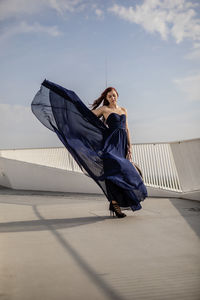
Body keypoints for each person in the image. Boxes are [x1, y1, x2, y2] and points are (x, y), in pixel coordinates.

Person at [31, 79, 148, 219]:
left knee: (123, 171)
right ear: (106, 98)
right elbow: (87, 117)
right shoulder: (104, 109)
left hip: (121, 145)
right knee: (111, 175)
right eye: (109, 96)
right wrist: (73, 105)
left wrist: (129, 146)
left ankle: (117, 202)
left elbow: (126, 128)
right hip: (110, 145)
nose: (112, 97)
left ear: (117, 95)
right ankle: (116, 205)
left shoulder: (124, 110)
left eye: (113, 95)